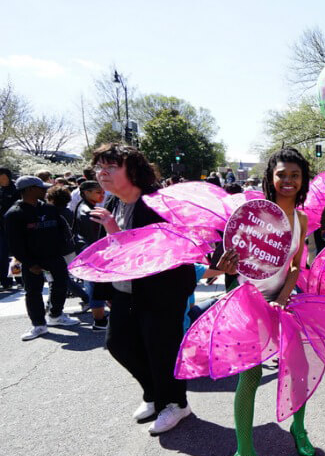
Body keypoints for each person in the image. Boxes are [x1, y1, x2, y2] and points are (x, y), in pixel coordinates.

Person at [88, 143, 197, 434]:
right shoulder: (112, 203)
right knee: (118, 344)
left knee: (160, 349)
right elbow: (106, 252)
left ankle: (175, 404)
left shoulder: (156, 203)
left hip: (162, 290)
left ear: (132, 170)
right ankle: (153, 393)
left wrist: (115, 231)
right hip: (125, 290)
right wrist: (104, 292)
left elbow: (159, 253)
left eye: (111, 167)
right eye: (99, 167)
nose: (102, 173)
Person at [230, 148, 315, 456]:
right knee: (249, 378)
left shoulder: (302, 219)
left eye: (295, 175)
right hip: (249, 302)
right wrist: (224, 264)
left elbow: (295, 265)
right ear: (270, 178)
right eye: (282, 174)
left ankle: (299, 426)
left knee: (300, 367)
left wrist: (283, 296)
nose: (289, 181)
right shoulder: (251, 214)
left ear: (303, 179)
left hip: (283, 301)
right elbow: (229, 261)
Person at [5, 175, 81, 341]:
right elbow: (14, 243)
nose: (45, 190)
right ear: (30, 190)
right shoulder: (14, 214)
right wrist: (29, 263)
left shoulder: (49, 209)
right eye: (41, 188)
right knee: (33, 292)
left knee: (61, 284)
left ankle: (55, 315)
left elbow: (62, 230)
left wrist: (62, 250)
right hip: (31, 260)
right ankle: (39, 325)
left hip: (54, 256)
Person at [73, 181, 108, 329]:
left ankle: (100, 318)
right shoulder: (88, 211)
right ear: (86, 193)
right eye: (98, 192)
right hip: (93, 252)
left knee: (95, 285)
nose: (103, 194)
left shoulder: (86, 207)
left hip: (88, 251)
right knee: (96, 286)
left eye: (102, 191)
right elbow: (94, 237)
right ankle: (99, 321)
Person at [0, 167, 19, 289]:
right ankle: (5, 280)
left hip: (15, 226)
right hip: (1, 227)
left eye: (3, 177)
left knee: (17, 254)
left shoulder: (16, 189)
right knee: (2, 254)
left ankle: (19, 278)